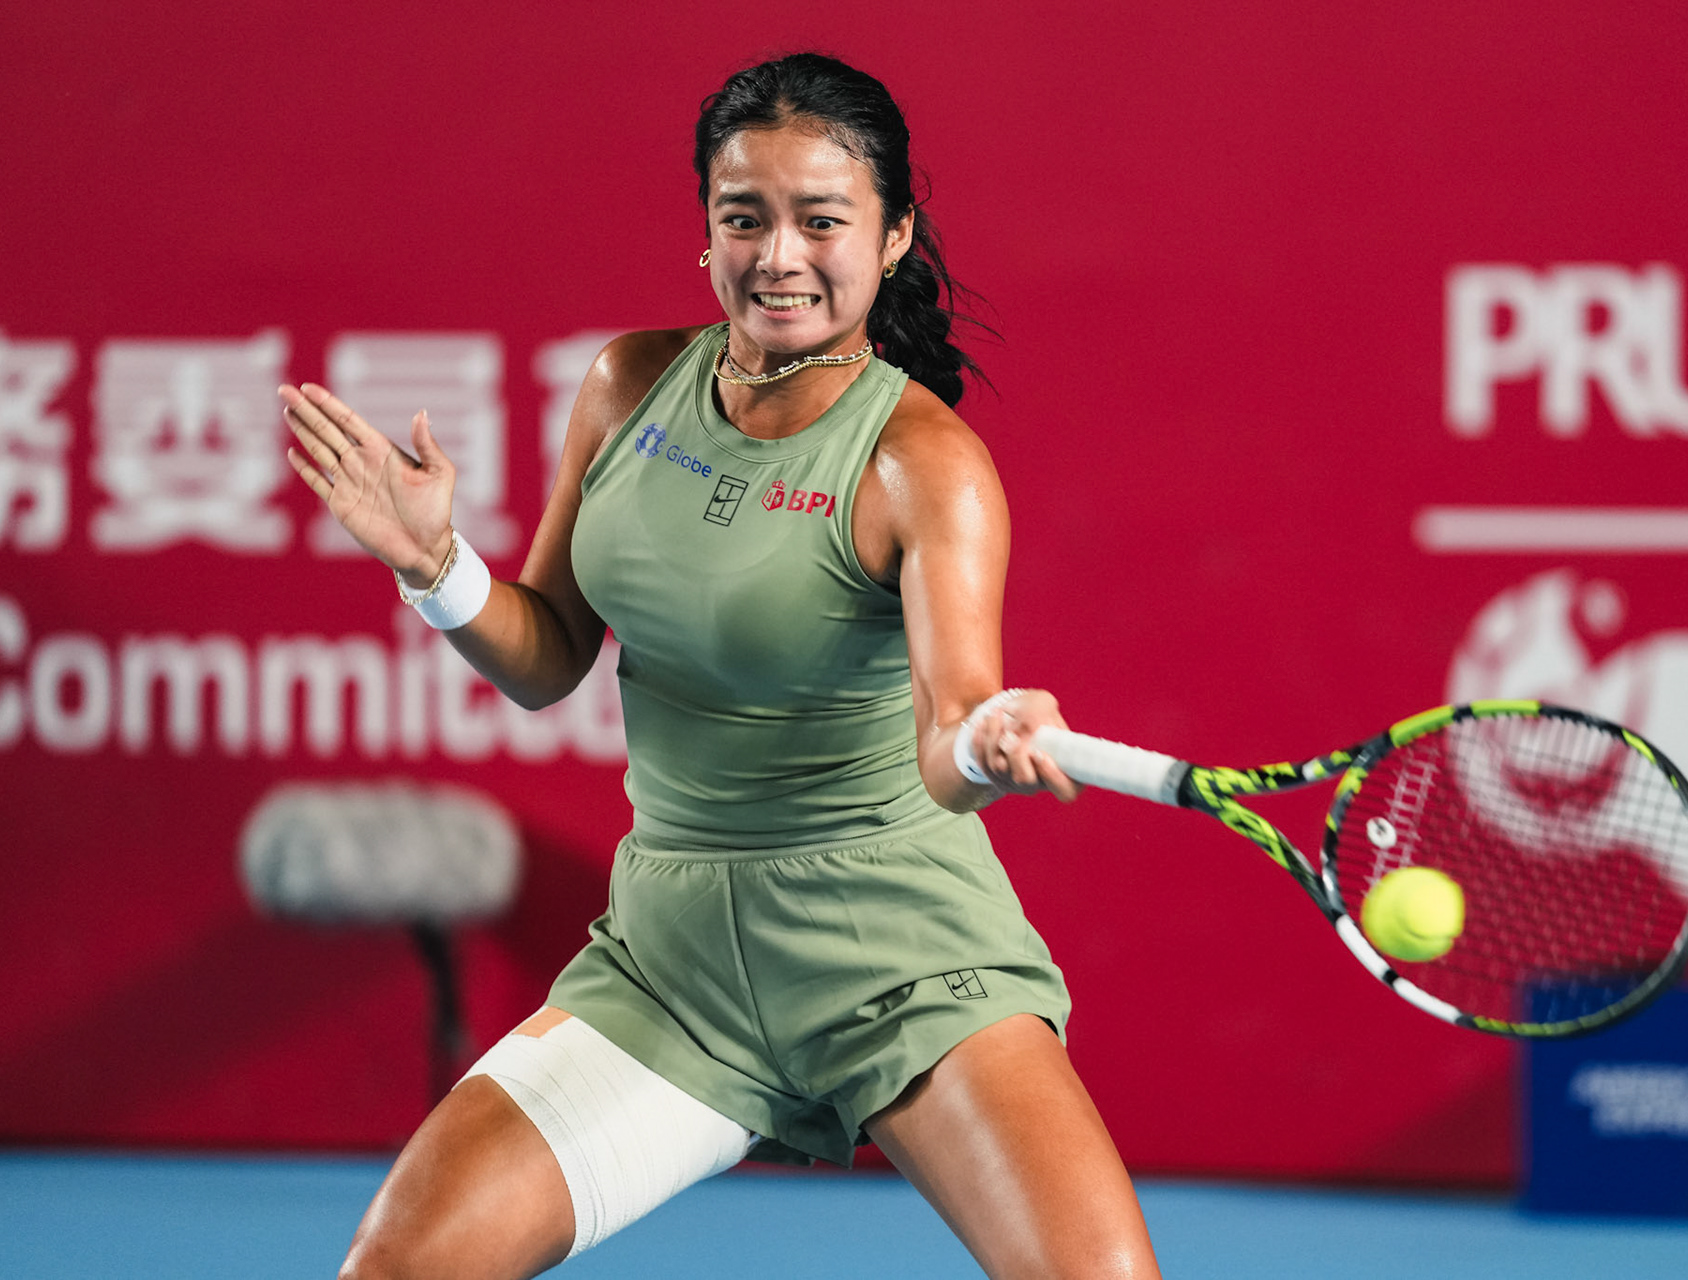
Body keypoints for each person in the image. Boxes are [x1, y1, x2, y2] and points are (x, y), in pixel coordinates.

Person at [282, 52, 1161, 1280]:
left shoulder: (927, 463)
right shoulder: (628, 383)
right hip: (673, 958)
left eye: (823, 220)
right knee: (397, 1267)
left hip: (899, 955)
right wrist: (437, 565)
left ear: (895, 235)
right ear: (706, 233)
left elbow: (946, 744)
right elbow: (550, 657)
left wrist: (985, 736)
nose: (779, 254)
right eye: (743, 217)